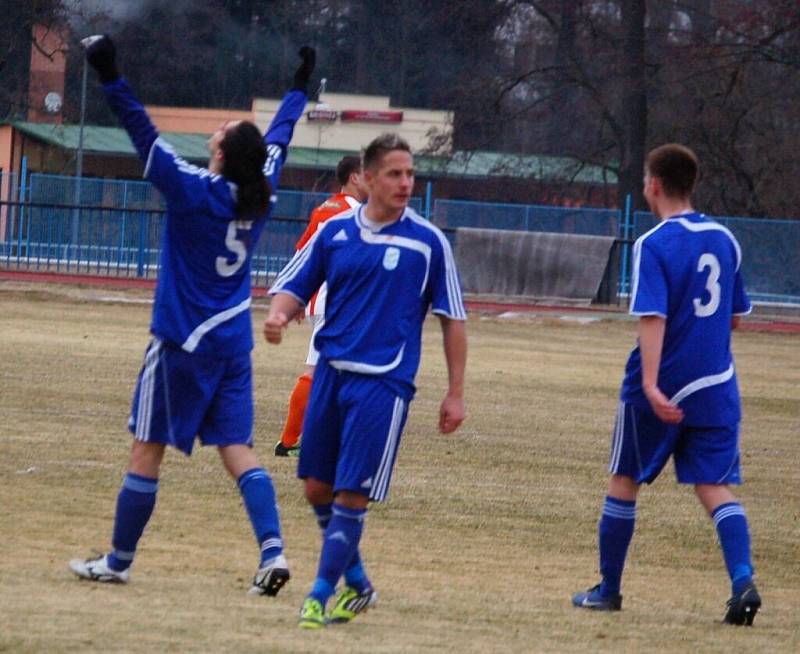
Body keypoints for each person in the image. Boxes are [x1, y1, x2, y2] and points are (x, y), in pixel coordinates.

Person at [68, 35, 315, 598]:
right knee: (238, 449)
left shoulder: (192, 190)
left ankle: (119, 560)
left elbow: (141, 132)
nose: (215, 132)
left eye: (221, 133)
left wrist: (110, 75)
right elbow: (279, 137)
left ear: (224, 154)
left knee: (146, 445)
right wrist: (299, 88)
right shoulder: (263, 187)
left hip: (181, 343)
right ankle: (273, 549)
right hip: (232, 344)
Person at [263, 133, 467, 628]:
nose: (406, 183)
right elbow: (295, 283)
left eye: (411, 174)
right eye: (395, 174)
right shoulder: (335, 232)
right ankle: (359, 584)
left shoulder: (428, 242)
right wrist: (277, 315)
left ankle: (318, 596)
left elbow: (452, 319)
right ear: (367, 178)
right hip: (332, 373)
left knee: (352, 493)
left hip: (385, 381)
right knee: (316, 488)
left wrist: (456, 392)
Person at [571, 144, 760, 625]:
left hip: (660, 388)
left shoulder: (652, 244)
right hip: (716, 385)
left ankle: (609, 591)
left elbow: (652, 318)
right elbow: (735, 318)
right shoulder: (726, 239)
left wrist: (653, 386)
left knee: (624, 480)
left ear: (653, 185)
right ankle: (742, 582)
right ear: (691, 184)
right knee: (715, 487)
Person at [274, 155, 368, 457]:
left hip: (324, 299)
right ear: (354, 177)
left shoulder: (327, 207)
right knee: (322, 371)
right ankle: (291, 441)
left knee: (331, 371)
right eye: (369, 174)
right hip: (337, 301)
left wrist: (301, 294)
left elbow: (303, 250)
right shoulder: (353, 214)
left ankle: (300, 440)